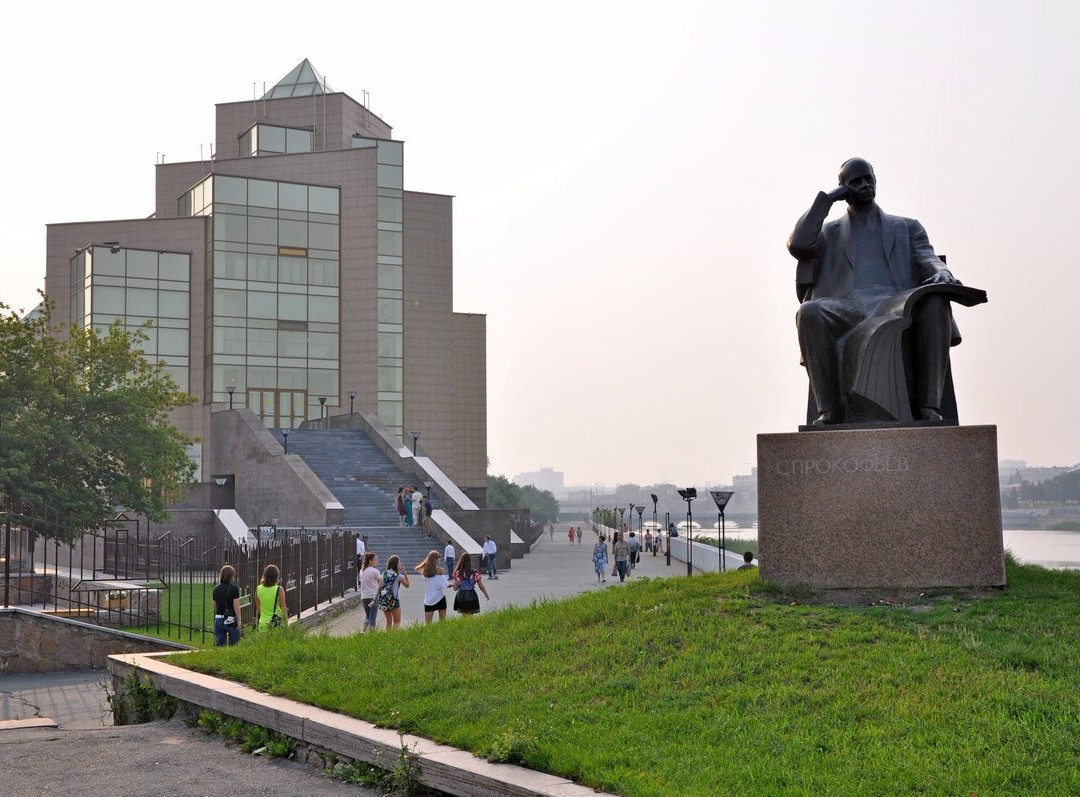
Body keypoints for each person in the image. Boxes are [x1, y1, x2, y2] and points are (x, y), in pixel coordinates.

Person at [788, 157, 960, 426]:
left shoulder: (906, 227)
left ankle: (928, 407)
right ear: (844, 188)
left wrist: (942, 272)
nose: (866, 185)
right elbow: (798, 245)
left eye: (869, 178)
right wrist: (827, 199)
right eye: (856, 182)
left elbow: (927, 258)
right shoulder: (828, 232)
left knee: (936, 299)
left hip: (898, 301)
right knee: (809, 311)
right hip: (848, 307)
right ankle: (829, 411)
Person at [415, 550, 450, 623]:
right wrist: (455, 584)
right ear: (436, 559)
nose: (439, 560)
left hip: (428, 599)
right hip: (440, 598)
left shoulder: (425, 570)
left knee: (428, 623)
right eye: (439, 558)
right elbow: (445, 585)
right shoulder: (440, 570)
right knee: (442, 622)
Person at [377, 554, 410, 629]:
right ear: (396, 564)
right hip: (394, 600)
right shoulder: (398, 575)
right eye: (399, 563)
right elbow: (407, 585)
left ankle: (387, 637)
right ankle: (393, 638)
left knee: (388, 621)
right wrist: (404, 572)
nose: (400, 564)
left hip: (384, 600)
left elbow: (379, 587)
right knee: (397, 622)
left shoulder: (383, 574)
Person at [212, 564, 242, 646]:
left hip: (218, 618)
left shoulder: (216, 589)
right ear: (232, 576)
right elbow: (236, 605)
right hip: (230, 619)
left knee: (219, 645)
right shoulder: (234, 588)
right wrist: (239, 620)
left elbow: (214, 605)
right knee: (236, 644)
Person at [254, 563, 288, 631]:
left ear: (265, 575)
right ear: (276, 577)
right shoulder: (279, 589)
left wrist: (265, 613)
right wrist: (286, 622)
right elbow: (283, 607)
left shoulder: (258, 588)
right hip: (276, 623)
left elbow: (258, 607)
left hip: (263, 622)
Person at [358, 551, 381, 632]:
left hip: (364, 596)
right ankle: (371, 635)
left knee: (367, 615)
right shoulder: (375, 571)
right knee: (373, 617)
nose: (377, 561)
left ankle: (363, 632)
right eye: (375, 559)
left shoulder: (362, 571)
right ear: (371, 561)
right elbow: (380, 584)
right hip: (373, 596)